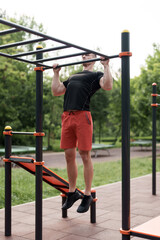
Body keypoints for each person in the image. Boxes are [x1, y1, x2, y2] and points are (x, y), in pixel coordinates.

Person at [51, 53, 113, 213]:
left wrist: (106, 66)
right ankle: (72, 192)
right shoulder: (73, 76)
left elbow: (107, 85)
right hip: (67, 116)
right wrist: (56, 74)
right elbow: (57, 91)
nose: (84, 57)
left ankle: (87, 194)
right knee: (68, 155)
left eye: (88, 55)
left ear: (93, 59)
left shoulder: (95, 75)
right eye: (83, 55)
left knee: (84, 154)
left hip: (82, 116)